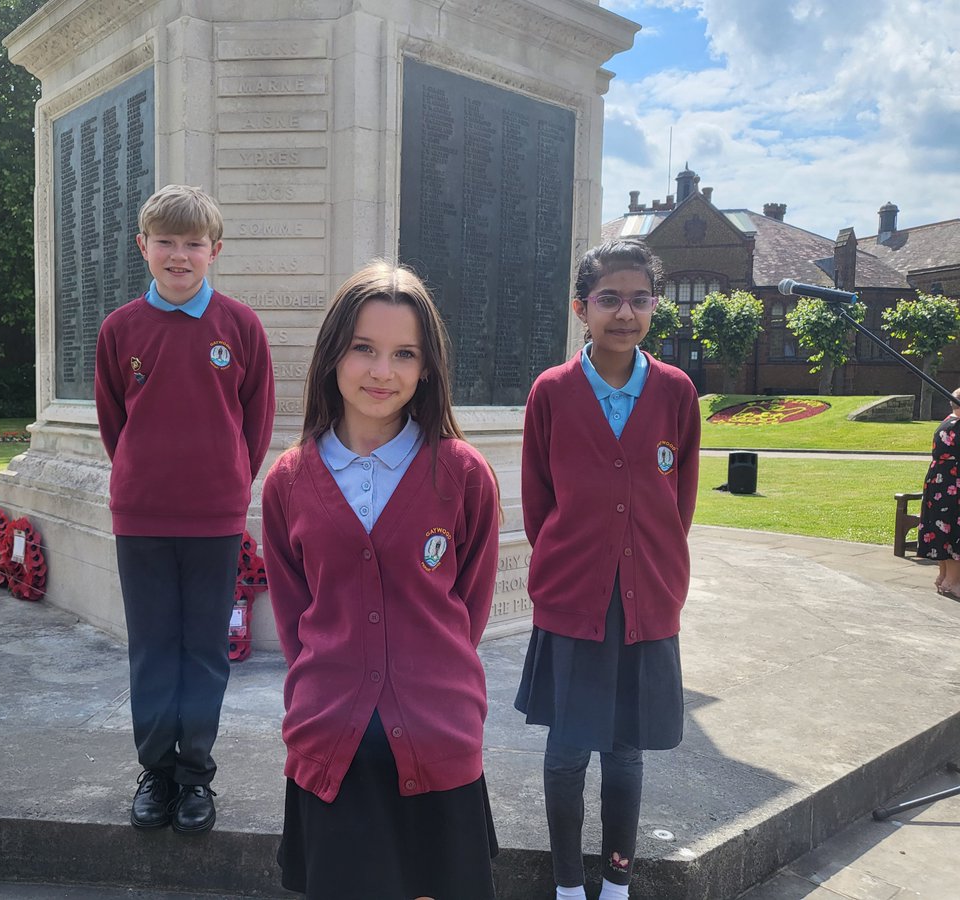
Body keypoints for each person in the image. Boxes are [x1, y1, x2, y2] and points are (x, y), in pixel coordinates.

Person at [261, 260, 502, 900]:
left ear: (426, 370)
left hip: (439, 733)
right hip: (330, 742)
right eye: (363, 348)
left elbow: (467, 609)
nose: (381, 371)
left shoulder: (462, 474)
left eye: (404, 354)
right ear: (333, 355)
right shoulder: (290, 480)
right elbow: (294, 618)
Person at [516, 240, 701, 900]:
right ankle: (569, 884)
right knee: (568, 751)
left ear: (654, 305)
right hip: (574, 600)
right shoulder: (553, 393)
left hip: (645, 601)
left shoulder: (676, 393)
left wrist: (653, 572)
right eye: (609, 299)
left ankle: (617, 882)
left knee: (625, 750)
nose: (625, 312)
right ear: (581, 309)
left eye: (639, 298)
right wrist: (576, 565)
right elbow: (539, 502)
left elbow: (678, 502)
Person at [94, 183, 275, 834]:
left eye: (192, 244)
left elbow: (256, 421)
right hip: (140, 517)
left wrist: (227, 482)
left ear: (214, 250)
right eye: (165, 242)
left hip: (213, 520)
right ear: (143, 247)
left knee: (202, 651)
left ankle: (196, 776)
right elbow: (115, 423)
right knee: (151, 649)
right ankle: (156, 773)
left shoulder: (240, 327)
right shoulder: (120, 330)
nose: (178, 255)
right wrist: (145, 476)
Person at [916, 388, 960, 597]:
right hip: (953, 483)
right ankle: (952, 581)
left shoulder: (946, 422)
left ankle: (943, 577)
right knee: (952, 528)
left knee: (943, 527)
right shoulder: (957, 426)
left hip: (939, 482)